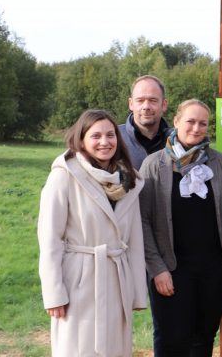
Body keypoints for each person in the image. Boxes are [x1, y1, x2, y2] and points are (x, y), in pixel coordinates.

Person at [37, 109, 147, 356]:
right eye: (96, 136)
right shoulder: (64, 176)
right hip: (79, 280)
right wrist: (54, 294)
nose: (105, 142)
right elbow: (49, 239)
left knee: (115, 349)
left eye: (110, 135)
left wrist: (137, 292)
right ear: (82, 139)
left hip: (117, 280)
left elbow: (135, 240)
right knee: (79, 349)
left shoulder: (128, 181)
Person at [139, 99, 222, 356]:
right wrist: (157, 268)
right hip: (170, 270)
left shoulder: (219, 162)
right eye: (190, 121)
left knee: (203, 338)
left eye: (203, 123)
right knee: (171, 338)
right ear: (176, 121)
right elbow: (142, 222)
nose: (196, 128)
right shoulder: (153, 165)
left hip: (213, 269)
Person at [121, 75, 170, 169]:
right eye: (140, 100)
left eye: (153, 100)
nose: (146, 106)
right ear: (131, 104)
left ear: (164, 105)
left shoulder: (176, 142)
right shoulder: (114, 139)